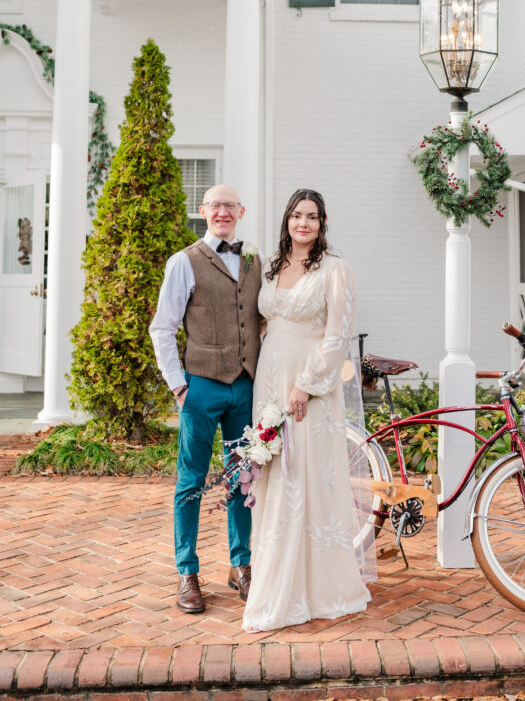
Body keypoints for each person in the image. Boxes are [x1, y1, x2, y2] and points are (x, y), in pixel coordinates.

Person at [242, 188, 372, 633]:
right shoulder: (273, 267)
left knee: (304, 476)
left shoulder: (336, 270)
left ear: (322, 222)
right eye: (296, 215)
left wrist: (305, 386)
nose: (303, 223)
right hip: (269, 381)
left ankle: (315, 589)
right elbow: (264, 321)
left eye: (311, 217)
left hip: (308, 388)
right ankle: (277, 577)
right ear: (287, 221)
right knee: (274, 474)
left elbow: (337, 337)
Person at [150, 184, 262, 614]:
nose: (223, 212)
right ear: (203, 211)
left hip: (245, 388)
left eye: (230, 206)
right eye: (215, 205)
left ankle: (241, 565)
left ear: (241, 211)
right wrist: (178, 385)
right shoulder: (184, 262)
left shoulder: (255, 261)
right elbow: (163, 328)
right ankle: (187, 572)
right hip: (201, 386)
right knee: (191, 481)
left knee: (243, 479)